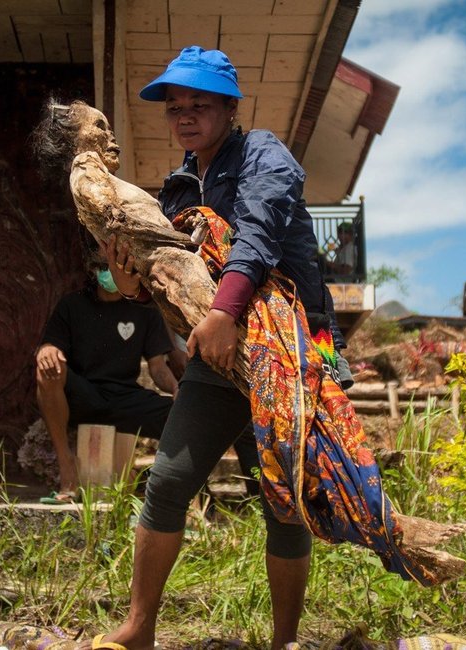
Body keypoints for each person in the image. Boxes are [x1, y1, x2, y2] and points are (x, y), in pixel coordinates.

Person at [83, 45, 327, 650]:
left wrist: (223, 311)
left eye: (199, 103)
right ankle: (139, 628)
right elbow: (166, 280)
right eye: (175, 107)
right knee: (167, 483)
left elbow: (258, 234)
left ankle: (285, 642)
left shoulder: (265, 155)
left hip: (291, 357)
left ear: (228, 107)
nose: (185, 116)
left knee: (283, 500)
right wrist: (135, 284)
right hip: (219, 361)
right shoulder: (179, 187)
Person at [34, 239, 180, 504]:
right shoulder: (72, 305)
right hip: (84, 396)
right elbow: (50, 345)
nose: (106, 272)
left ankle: (175, 492)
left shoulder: (145, 311)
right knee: (48, 370)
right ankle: (67, 467)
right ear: (91, 270)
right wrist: (47, 350)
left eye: (111, 266)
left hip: (125, 397)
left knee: (183, 417)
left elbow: (157, 368)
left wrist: (176, 390)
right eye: (100, 266)